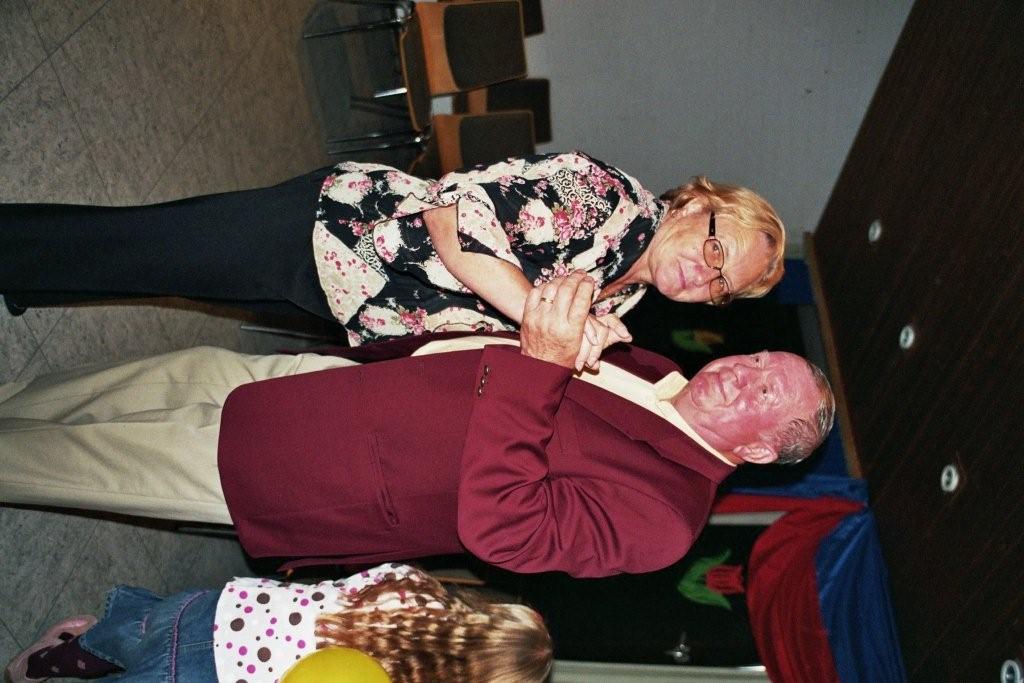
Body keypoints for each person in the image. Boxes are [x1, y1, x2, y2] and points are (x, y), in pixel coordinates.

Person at [0, 273, 833, 578]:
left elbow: (503, 525)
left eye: (766, 389)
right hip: (334, 385)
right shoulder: (649, 365)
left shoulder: (666, 518)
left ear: (762, 447)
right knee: (123, 387)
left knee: (92, 457)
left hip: (326, 474)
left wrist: (543, 363)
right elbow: (505, 354)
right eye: (761, 358)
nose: (744, 369)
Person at [1, 152, 785, 361]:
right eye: (716, 246)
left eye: (723, 284)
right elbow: (452, 216)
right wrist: (543, 320)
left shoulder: (625, 298)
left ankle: (33, 275)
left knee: (167, 273)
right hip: (335, 231)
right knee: (150, 246)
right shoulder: (606, 199)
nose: (705, 273)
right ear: (696, 202)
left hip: (357, 301)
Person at [4, 562, 553, 683]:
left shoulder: (411, 582)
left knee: (130, 634)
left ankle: (49, 659)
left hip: (219, 609)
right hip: (211, 677)